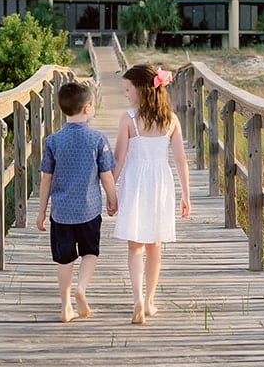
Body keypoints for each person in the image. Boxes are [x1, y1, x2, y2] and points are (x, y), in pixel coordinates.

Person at [113, 64, 191, 325]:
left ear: (142, 90)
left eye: (127, 89)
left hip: (135, 182)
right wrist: (186, 195)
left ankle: (136, 297)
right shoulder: (170, 119)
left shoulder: (129, 119)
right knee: (154, 245)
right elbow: (181, 160)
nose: (125, 94)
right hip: (161, 183)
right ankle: (149, 302)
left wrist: (111, 193)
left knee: (134, 245)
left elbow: (119, 159)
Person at [36, 80, 118, 322]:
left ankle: (65, 306)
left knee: (65, 258)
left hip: (61, 212)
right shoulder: (97, 139)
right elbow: (106, 175)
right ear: (86, 109)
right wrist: (113, 199)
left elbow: (45, 180)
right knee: (90, 252)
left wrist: (41, 212)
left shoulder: (52, 141)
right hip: (89, 209)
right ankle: (82, 287)